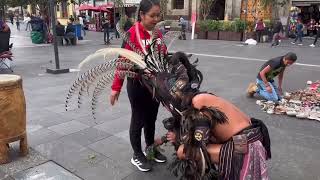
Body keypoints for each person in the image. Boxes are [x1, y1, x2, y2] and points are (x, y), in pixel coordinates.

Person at [110, 0, 167, 172]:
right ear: (141, 15)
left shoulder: (158, 34)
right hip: (137, 85)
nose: (156, 19)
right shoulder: (131, 34)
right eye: (152, 15)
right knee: (138, 120)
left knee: (151, 119)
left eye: (158, 15)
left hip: (155, 85)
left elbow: (163, 57)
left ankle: (150, 148)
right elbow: (122, 62)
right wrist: (115, 88)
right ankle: (137, 154)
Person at [164, 93, 271, 180]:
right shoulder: (205, 96)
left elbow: (199, 144)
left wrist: (178, 139)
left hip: (244, 144)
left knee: (183, 151)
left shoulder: (197, 103)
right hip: (252, 138)